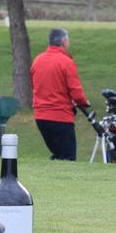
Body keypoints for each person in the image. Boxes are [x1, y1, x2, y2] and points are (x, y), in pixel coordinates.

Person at [31, 27, 90, 161]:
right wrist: (83, 103)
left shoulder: (37, 60)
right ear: (64, 41)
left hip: (41, 117)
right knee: (67, 157)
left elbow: (35, 85)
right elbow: (76, 91)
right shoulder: (66, 62)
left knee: (57, 155)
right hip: (60, 116)